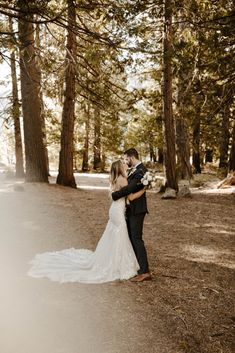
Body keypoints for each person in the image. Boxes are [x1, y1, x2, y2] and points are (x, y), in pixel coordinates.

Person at [28, 160, 146, 284]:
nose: (125, 165)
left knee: (114, 235)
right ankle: (118, 264)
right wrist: (144, 188)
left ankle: (111, 260)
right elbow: (131, 197)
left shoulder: (116, 178)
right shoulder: (123, 179)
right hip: (118, 211)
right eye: (123, 164)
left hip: (114, 209)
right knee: (120, 235)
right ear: (119, 168)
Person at [111, 148, 151, 282]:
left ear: (132, 157)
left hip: (137, 210)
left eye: (126, 159)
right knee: (131, 239)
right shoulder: (133, 170)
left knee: (136, 239)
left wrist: (115, 195)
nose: (125, 161)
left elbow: (130, 189)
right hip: (129, 210)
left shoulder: (141, 171)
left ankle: (145, 272)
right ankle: (135, 267)